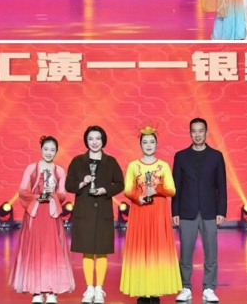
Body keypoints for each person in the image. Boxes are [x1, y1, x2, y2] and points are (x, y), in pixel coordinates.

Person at [8, 135, 75, 304]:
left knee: (52, 250)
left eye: (52, 150)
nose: (49, 152)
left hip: (51, 214)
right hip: (36, 213)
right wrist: (37, 196)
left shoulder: (60, 171)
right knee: (35, 250)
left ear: (57, 152)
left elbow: (63, 195)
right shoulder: (32, 168)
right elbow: (22, 191)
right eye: (46, 149)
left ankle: (52, 291)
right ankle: (36, 290)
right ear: (40, 150)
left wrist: (53, 194)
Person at [120, 128, 181, 304]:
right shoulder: (133, 166)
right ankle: (142, 291)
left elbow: (172, 190)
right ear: (140, 145)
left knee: (157, 249)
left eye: (152, 142)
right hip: (140, 211)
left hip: (158, 212)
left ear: (157, 144)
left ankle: (155, 291)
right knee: (141, 249)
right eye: (145, 142)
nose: (148, 145)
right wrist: (137, 197)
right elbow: (127, 189)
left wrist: (156, 189)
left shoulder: (163, 166)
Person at [65, 126, 125, 304]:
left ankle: (99, 288)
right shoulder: (78, 161)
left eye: (98, 138)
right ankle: (89, 288)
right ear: (86, 141)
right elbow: (69, 185)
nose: (94, 142)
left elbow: (120, 184)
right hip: (84, 212)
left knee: (101, 251)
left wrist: (105, 190)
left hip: (103, 211)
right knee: (87, 251)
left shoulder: (110, 161)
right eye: (91, 139)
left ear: (103, 140)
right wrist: (82, 182)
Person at [172, 118, 227, 304]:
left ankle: (209, 288)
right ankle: (185, 287)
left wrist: (221, 211)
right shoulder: (180, 156)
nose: (197, 134)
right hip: (186, 211)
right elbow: (176, 186)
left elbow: (221, 186)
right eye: (194, 131)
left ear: (206, 133)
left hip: (210, 210)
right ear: (190, 133)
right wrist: (175, 212)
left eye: (200, 131)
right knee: (185, 252)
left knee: (211, 252)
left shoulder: (216, 156)